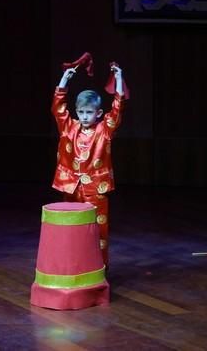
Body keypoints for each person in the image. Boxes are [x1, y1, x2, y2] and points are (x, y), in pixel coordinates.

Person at [51, 64, 125, 266]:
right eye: (81, 112)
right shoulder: (69, 128)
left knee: (97, 229)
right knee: (71, 226)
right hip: (71, 185)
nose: (84, 116)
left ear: (99, 113)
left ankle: (99, 267)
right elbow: (58, 108)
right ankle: (73, 265)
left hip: (96, 187)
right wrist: (64, 80)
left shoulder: (104, 130)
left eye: (89, 112)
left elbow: (117, 110)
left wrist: (119, 79)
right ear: (76, 111)